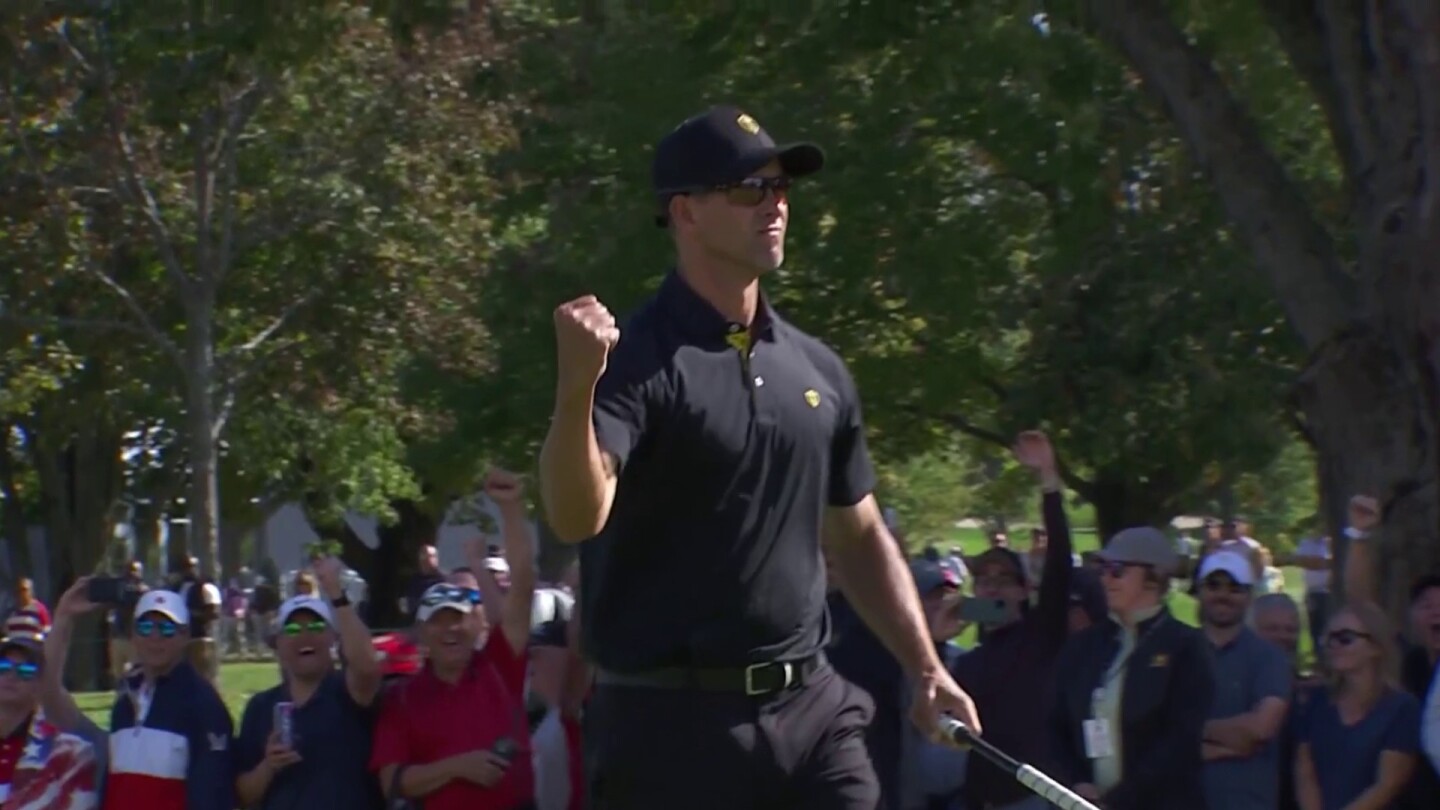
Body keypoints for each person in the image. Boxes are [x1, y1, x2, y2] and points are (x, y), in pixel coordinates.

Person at [538, 104, 979, 810]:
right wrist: (576, 388)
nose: (774, 205)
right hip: (669, 732)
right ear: (684, 213)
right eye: (749, 189)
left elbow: (860, 535)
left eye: (781, 188)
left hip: (812, 707)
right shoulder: (637, 361)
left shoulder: (819, 370)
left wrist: (924, 668)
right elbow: (574, 514)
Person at [371, 469, 538, 810]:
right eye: (438, 622)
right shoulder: (403, 698)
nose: (450, 630)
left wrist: (510, 508)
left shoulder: (500, 667)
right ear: (421, 636)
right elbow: (393, 781)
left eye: (458, 620)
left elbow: (522, 585)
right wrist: (460, 767)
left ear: (478, 627)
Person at [949, 430, 1075, 810]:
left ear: (1023, 591)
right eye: (983, 581)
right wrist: (938, 631)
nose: (991, 589)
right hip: (982, 799)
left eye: (1003, 579)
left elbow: (1059, 563)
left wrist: (1049, 479)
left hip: (1036, 796)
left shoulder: (1041, 633)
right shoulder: (968, 661)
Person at [1049, 526, 1214, 810]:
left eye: (1117, 569)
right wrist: (1077, 783)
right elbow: (1055, 723)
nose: (1105, 579)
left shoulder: (1186, 646)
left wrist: (1117, 800)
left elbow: (1180, 741)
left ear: (1154, 577)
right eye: (1101, 569)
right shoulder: (1083, 645)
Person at [48, 584, 233, 810]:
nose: (155, 637)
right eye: (146, 627)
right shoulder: (126, 701)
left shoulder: (203, 703)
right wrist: (64, 616)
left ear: (185, 635)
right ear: (133, 635)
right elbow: (49, 701)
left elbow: (211, 797)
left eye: (166, 628)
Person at [234, 557, 385, 809]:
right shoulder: (260, 707)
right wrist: (268, 766)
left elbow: (367, 666)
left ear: (332, 638)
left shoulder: (348, 692)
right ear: (278, 645)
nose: (305, 636)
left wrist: (336, 593)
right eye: (292, 630)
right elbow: (243, 797)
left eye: (315, 626)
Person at [1295, 602, 1422, 809]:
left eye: (1345, 638)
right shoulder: (1317, 699)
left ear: (1376, 647)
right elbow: (1305, 771)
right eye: (1329, 638)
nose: (1334, 645)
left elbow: (1387, 784)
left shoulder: (1403, 708)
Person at [1194, 551, 1291, 810]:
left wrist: (1189, 731)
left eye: (1234, 588)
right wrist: (1228, 746)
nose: (1223, 595)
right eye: (1214, 585)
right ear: (1200, 591)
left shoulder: (1270, 657)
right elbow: (1152, 738)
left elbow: (1261, 728)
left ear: (1249, 595)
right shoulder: (1176, 651)